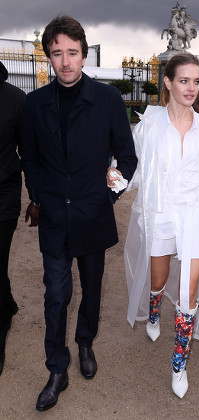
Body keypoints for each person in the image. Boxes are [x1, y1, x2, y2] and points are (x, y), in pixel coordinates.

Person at [21, 15, 137, 412]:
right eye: (57, 53)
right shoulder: (34, 104)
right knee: (55, 296)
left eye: (72, 52)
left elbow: (128, 156)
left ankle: (85, 341)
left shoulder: (108, 100)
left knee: (92, 290)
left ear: (84, 55)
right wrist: (41, 194)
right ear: (49, 57)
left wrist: (109, 196)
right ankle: (57, 367)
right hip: (55, 218)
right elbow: (30, 159)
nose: (65, 61)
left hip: (93, 215)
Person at [124, 52, 199, 398]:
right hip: (162, 212)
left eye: (196, 81)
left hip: (195, 216)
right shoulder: (149, 126)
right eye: (184, 80)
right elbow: (136, 168)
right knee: (158, 278)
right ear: (168, 82)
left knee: (189, 293)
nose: (191, 88)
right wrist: (116, 177)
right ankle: (154, 310)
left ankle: (178, 364)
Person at [0, 62, 25, 375]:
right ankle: (7, 303)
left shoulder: (16, 99)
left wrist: (35, 198)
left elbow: (29, 151)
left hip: (3, 195)